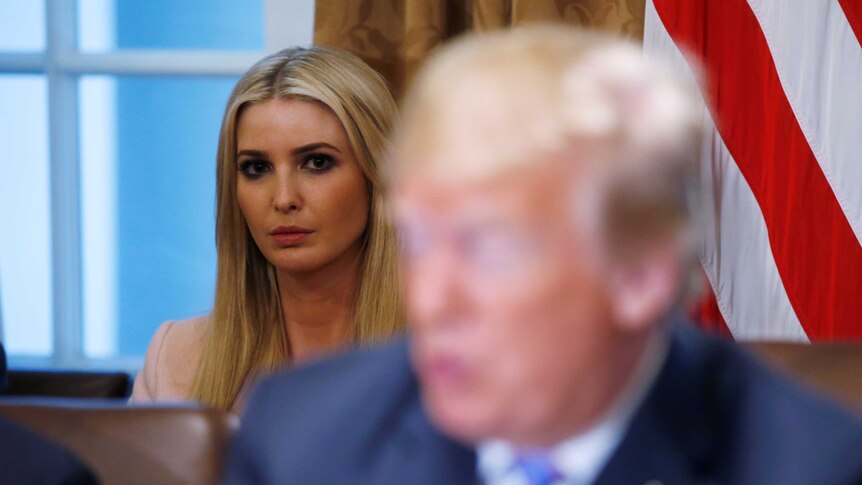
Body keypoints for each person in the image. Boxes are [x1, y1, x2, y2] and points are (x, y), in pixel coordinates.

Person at [222, 26, 862, 484]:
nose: (431, 298)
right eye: (419, 238)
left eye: (488, 247)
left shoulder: (808, 464)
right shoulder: (301, 434)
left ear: (640, 275)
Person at [130, 46, 404, 412]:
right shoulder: (175, 358)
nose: (284, 198)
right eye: (256, 168)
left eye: (317, 162)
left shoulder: (450, 355)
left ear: (377, 176)